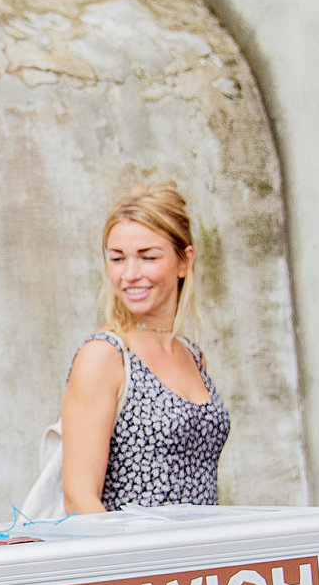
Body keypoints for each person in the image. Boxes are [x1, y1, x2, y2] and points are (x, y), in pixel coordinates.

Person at [59, 181, 231, 512]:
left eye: (148, 257)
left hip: (202, 555)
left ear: (184, 262)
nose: (130, 274)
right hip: (140, 558)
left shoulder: (193, 356)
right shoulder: (105, 355)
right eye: (118, 259)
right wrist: (132, 562)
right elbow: (79, 499)